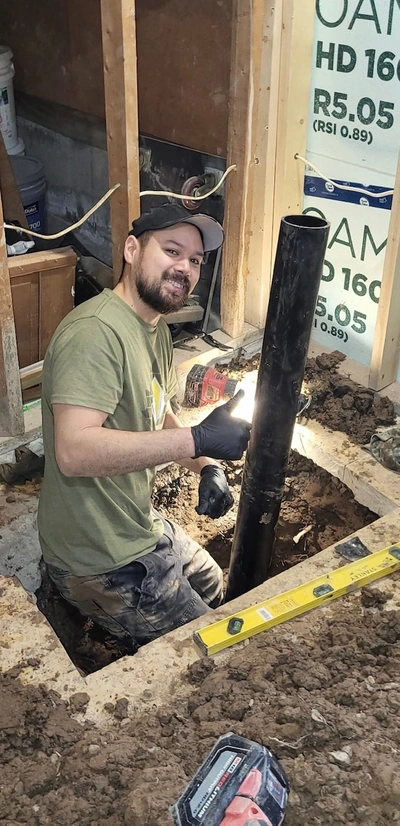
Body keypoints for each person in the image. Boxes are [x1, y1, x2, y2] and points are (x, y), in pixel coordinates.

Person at [38, 203, 252, 649]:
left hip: (136, 525)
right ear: (132, 249)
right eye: (172, 250)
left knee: (215, 585)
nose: (185, 268)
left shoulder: (153, 328)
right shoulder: (95, 333)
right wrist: (197, 436)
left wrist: (206, 463)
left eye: (195, 260)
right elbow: (73, 453)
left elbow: (156, 415)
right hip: (97, 557)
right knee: (205, 645)